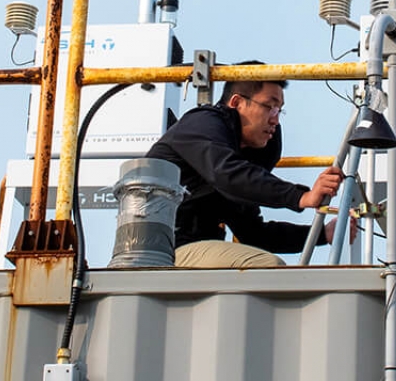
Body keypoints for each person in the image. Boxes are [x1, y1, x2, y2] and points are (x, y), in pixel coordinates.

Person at [145, 78, 346, 269]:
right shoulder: (202, 124)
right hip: (160, 250)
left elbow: (255, 234)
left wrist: (322, 234)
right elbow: (226, 173)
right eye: (270, 106)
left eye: (280, 110)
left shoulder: (235, 163)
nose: (275, 119)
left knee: (267, 268)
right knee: (266, 267)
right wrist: (301, 197)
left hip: (184, 250)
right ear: (237, 102)